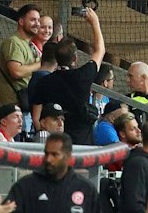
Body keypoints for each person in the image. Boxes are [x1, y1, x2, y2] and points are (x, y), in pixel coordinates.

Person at [0, 132, 105, 213]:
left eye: (55, 154)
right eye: (46, 153)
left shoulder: (86, 189)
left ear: (68, 157)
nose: (49, 159)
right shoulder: (27, 185)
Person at [28, 10, 107, 138]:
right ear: (75, 58)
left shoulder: (44, 81)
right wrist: (95, 23)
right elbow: (100, 50)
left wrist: (44, 139)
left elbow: (36, 116)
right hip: (82, 142)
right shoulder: (83, 75)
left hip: (55, 141)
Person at [0, 5, 45, 112]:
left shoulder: (29, 43)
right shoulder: (13, 42)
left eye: (38, 20)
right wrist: (41, 64)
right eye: (33, 20)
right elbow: (16, 71)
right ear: (21, 21)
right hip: (14, 107)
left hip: (26, 104)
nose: (37, 23)